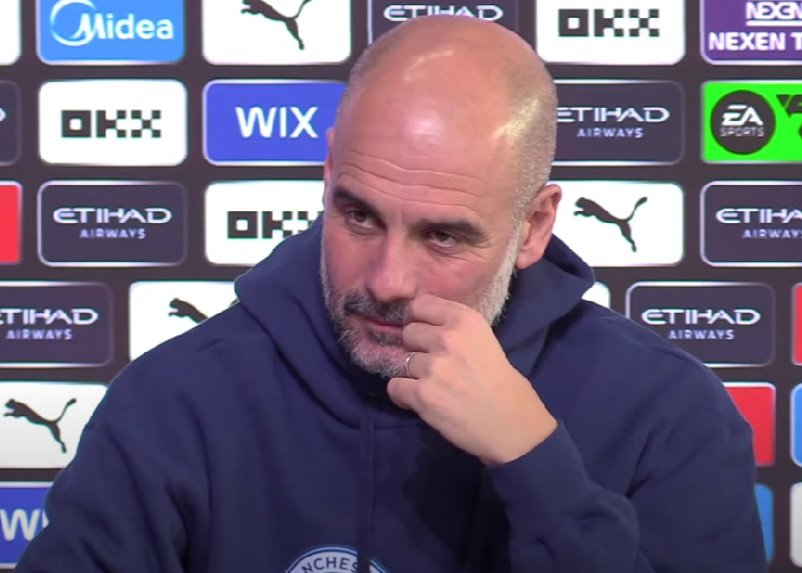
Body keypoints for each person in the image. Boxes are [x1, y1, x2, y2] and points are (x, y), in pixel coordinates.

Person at [17, 15, 766, 573]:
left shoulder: (670, 415)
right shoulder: (175, 402)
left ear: (534, 226)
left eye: (443, 236)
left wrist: (535, 463)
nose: (385, 281)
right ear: (327, 179)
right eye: (359, 216)